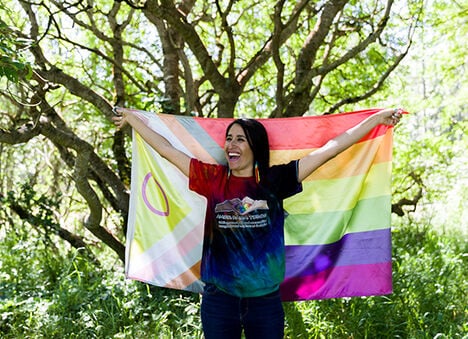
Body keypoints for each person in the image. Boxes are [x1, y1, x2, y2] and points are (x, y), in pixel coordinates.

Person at [113, 108, 403, 339]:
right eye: (228, 138)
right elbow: (166, 149)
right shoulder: (213, 179)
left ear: (255, 145)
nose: (231, 144)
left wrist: (376, 120)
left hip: (264, 302)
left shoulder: (276, 181)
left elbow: (330, 149)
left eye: (240, 138)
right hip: (219, 300)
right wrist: (132, 119)